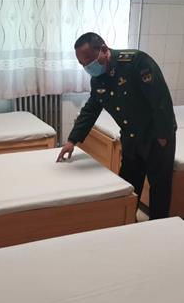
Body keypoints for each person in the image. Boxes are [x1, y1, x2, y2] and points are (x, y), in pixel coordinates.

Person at [57, 32, 177, 220]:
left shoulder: (137, 62)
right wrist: (72, 140)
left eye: (88, 60)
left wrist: (163, 136)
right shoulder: (98, 79)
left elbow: (160, 100)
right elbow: (91, 109)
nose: (86, 67)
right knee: (128, 184)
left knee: (160, 188)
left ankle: (158, 227)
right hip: (130, 138)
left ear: (104, 50)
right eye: (82, 64)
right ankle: (127, 221)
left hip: (155, 136)